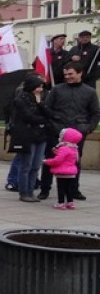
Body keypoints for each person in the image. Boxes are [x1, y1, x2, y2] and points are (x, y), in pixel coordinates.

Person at [42, 62, 99, 201]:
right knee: (51, 160)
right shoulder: (56, 90)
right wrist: (53, 124)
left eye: (70, 74)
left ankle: (74, 190)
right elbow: (46, 109)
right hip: (56, 131)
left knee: (75, 162)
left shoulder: (90, 92)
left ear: (80, 73)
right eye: (65, 74)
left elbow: (95, 113)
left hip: (77, 133)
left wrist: (87, 128)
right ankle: (45, 189)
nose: (67, 77)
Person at [8, 75, 50, 203]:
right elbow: (29, 116)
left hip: (41, 136)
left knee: (36, 165)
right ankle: (24, 192)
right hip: (27, 135)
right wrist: (43, 120)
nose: (40, 90)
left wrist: (39, 102)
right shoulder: (20, 99)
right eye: (38, 86)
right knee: (26, 165)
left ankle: (31, 191)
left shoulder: (41, 100)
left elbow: (48, 114)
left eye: (42, 87)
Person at [44, 128, 84, 209]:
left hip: (62, 172)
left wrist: (47, 161)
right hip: (71, 172)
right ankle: (70, 202)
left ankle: (61, 203)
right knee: (69, 188)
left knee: (61, 188)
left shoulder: (63, 148)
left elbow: (58, 160)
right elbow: (68, 157)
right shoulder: (74, 148)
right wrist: (56, 151)